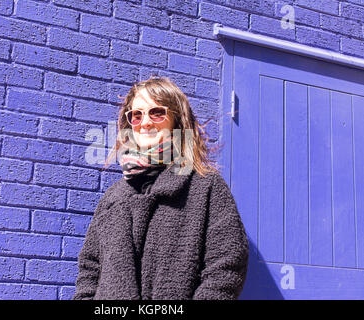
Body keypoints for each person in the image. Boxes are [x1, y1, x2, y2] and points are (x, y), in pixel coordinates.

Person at [72, 76, 249, 300]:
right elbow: (90, 268)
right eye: (136, 115)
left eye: (157, 112)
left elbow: (227, 265)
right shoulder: (114, 196)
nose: (145, 122)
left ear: (176, 120)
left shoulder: (206, 187)